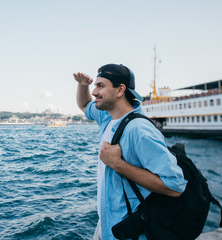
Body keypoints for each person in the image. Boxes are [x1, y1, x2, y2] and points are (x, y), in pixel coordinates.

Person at [73, 64, 187, 240]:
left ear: (120, 90)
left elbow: (175, 186)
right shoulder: (109, 117)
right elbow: (84, 105)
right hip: (109, 224)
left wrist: (118, 164)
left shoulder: (139, 130)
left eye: (100, 86)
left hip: (130, 231)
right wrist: (83, 85)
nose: (94, 92)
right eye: (95, 86)